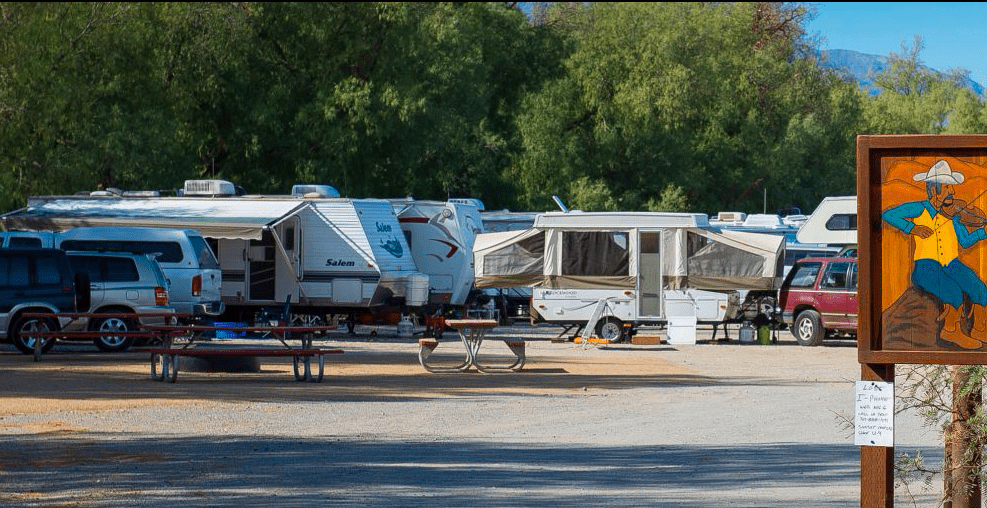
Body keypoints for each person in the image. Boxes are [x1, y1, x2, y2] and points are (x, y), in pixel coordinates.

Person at [882, 160, 987, 349]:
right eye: (947, 187)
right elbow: (888, 215)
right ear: (933, 190)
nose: (952, 192)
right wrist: (912, 228)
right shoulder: (920, 209)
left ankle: (980, 329)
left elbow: (965, 241)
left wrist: (983, 232)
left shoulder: (953, 216)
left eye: (952, 187)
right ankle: (951, 331)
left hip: (952, 264)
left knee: (977, 286)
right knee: (953, 291)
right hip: (926, 266)